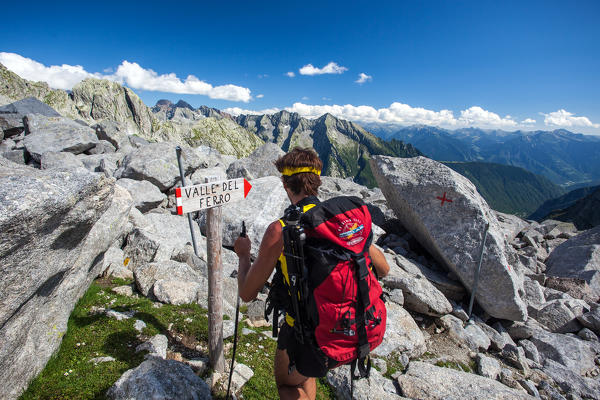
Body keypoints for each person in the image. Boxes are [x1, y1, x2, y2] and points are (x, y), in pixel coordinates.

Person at [234, 147, 390, 400]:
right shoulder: (340, 223)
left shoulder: (280, 230)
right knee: (306, 375)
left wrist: (243, 255)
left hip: (308, 333)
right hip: (359, 325)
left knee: (287, 386)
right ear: (318, 181)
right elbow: (384, 269)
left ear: (285, 184)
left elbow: (247, 293)